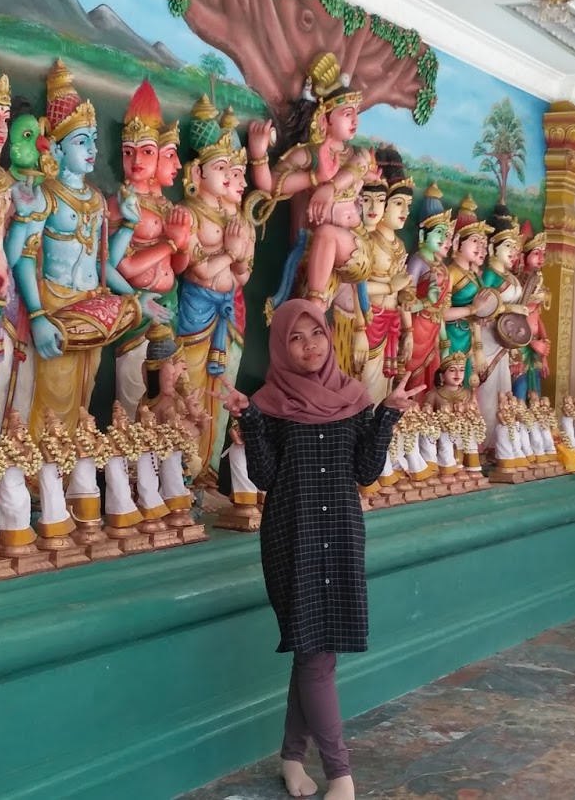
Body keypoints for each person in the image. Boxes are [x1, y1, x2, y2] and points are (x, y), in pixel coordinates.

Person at [220, 299, 420, 800]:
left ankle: (292, 759)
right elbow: (264, 476)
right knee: (315, 655)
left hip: (342, 535)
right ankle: (341, 774)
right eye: (296, 337)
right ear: (280, 346)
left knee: (315, 655)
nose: (308, 345)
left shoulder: (354, 398)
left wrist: (387, 416)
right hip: (293, 537)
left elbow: (365, 471)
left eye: (316, 334)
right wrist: (250, 421)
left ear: (330, 338)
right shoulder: (269, 403)